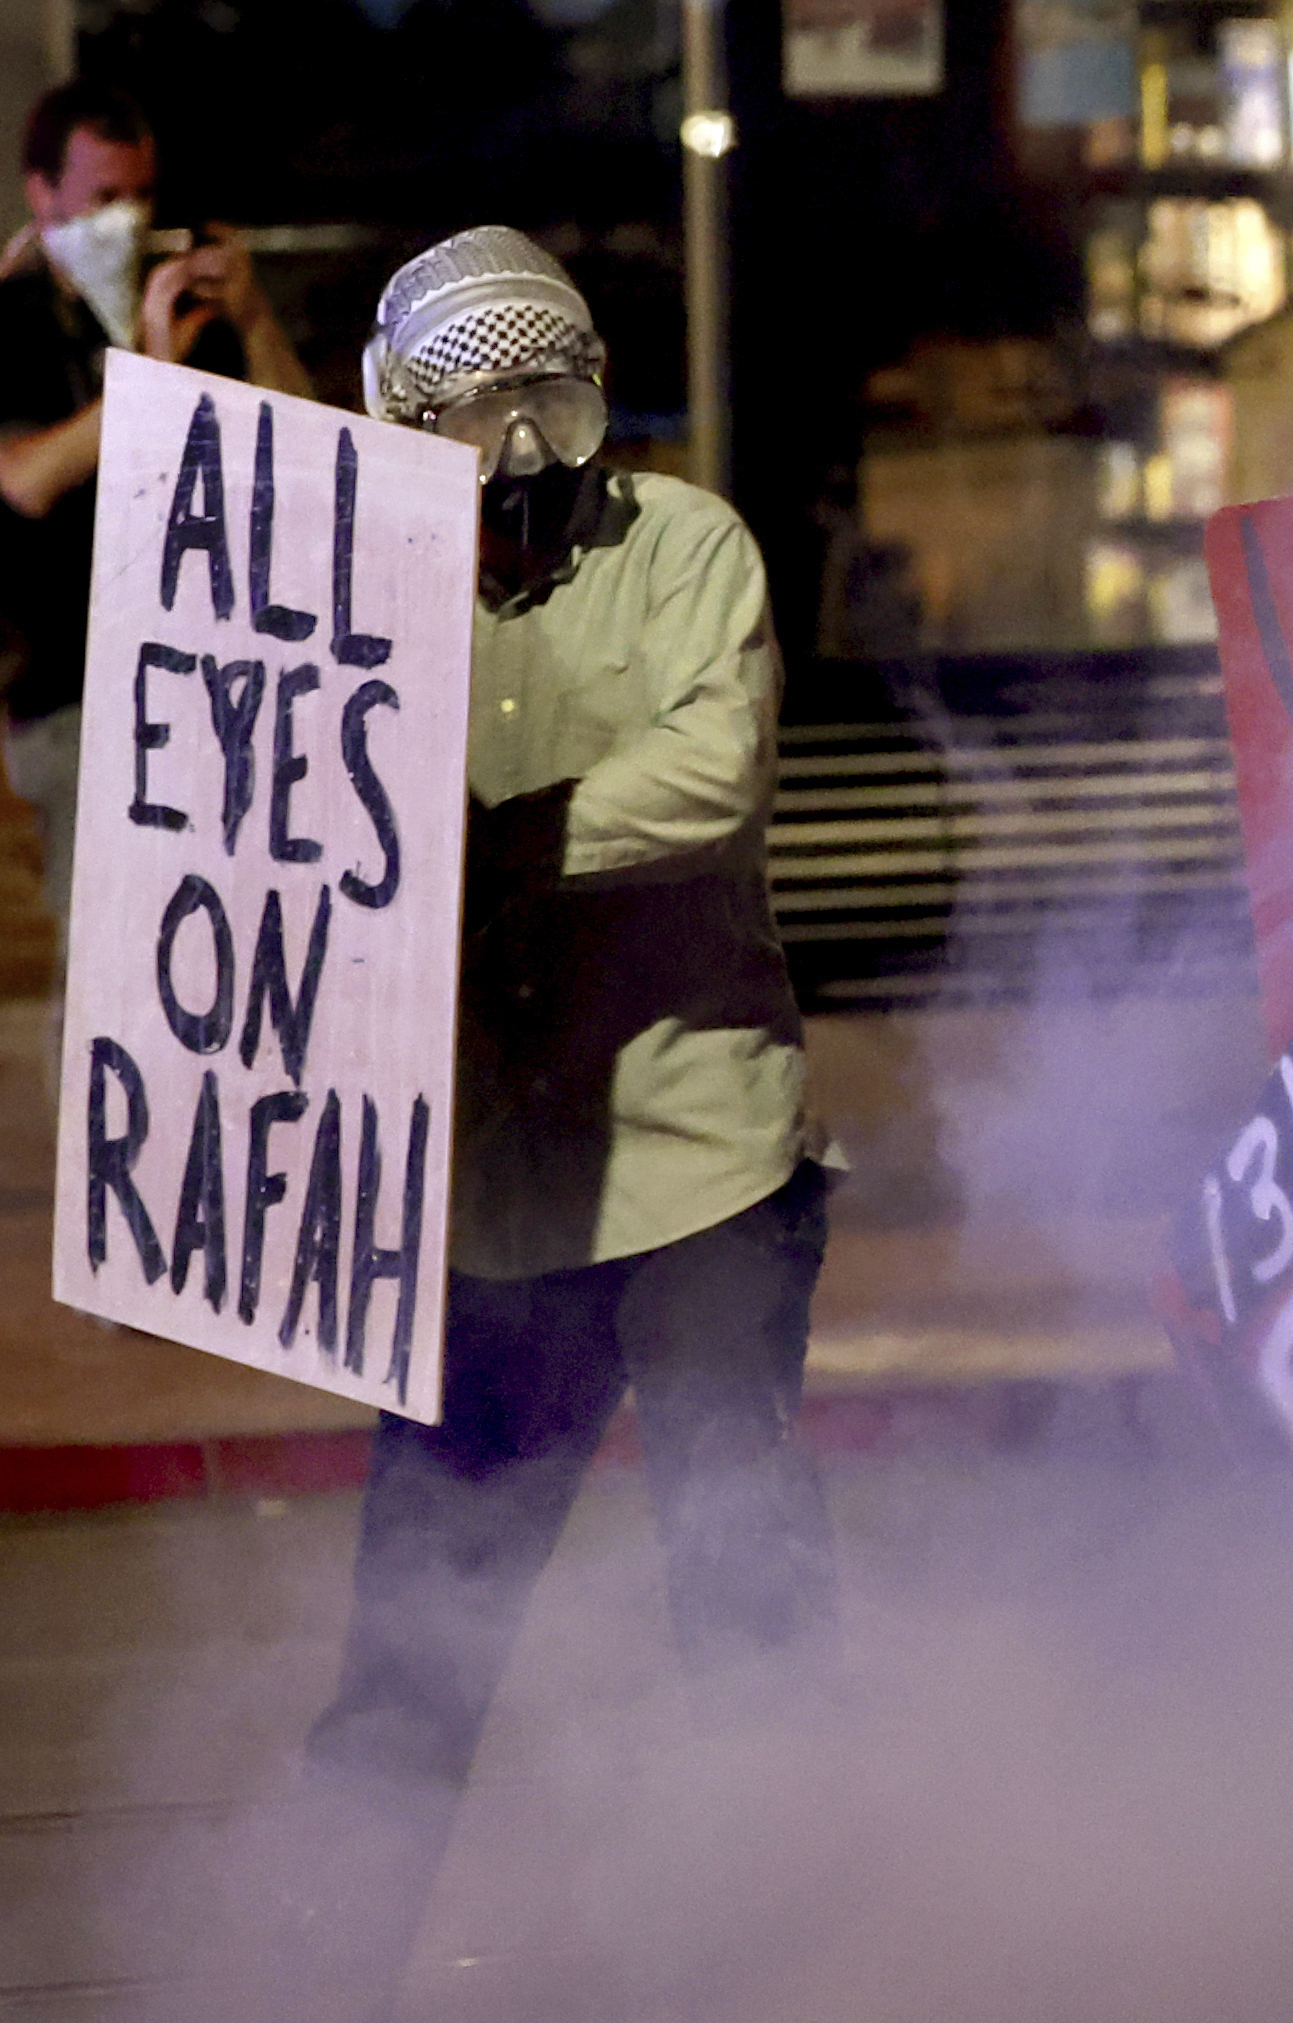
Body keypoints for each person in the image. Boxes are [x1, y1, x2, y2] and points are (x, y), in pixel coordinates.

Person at [232, 227, 839, 2023]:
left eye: (531, 426)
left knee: (746, 1606)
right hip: (482, 1196)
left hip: (698, 1160)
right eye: (460, 426)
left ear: (582, 419)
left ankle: (824, 1965)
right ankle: (299, 1978)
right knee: (414, 1649)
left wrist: (471, 846)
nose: (500, 473)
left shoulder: (688, 548)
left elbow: (711, 776)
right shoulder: (342, 581)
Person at [0, 79, 309, 954]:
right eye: (103, 200)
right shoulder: (15, 320)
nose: (127, 221)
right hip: (76, 695)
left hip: (213, 693)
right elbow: (24, 478)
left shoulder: (184, 309)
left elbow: (308, 444)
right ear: (43, 195)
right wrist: (150, 376)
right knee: (106, 957)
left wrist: (249, 318)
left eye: (142, 197)